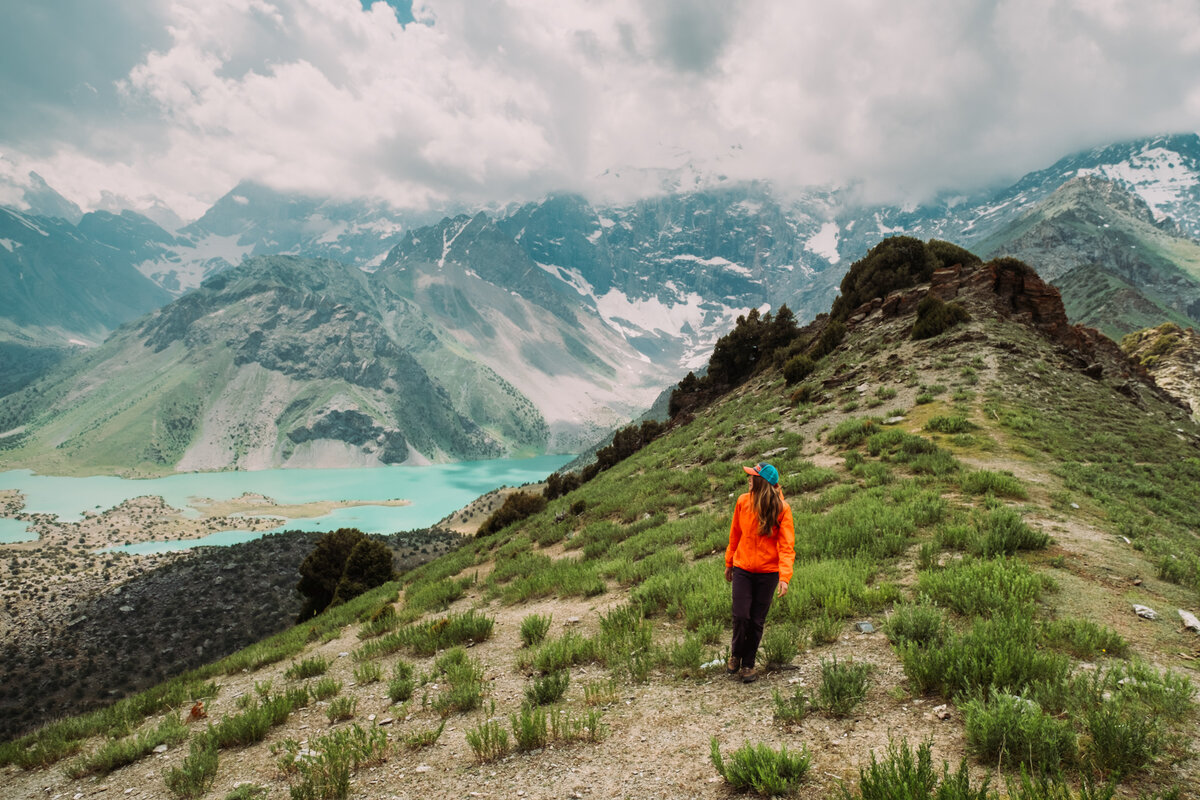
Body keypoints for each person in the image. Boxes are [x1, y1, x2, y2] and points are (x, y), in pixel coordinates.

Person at [724, 462, 795, 683]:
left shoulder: (782, 509)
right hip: (743, 568)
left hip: (768, 573)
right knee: (740, 615)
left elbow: (786, 546)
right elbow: (734, 534)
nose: (748, 479)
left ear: (761, 482)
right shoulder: (742, 502)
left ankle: (748, 665)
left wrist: (784, 577)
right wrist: (729, 562)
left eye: (752, 476)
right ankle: (736, 653)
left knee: (756, 621)